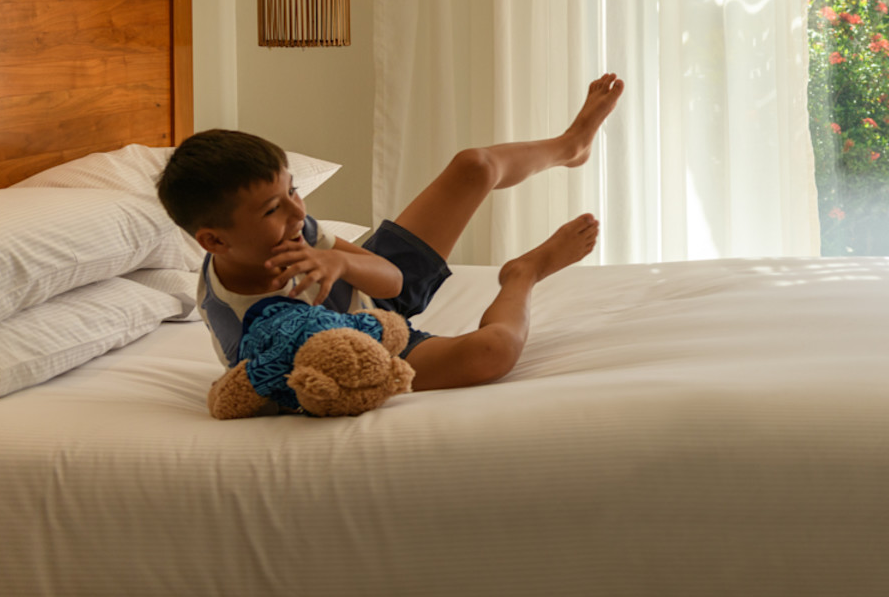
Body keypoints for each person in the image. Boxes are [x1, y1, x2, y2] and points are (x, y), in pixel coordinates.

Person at [156, 74, 624, 399]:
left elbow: (394, 282)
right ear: (215, 242)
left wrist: (339, 263)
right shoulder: (234, 317)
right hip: (369, 346)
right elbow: (263, 387)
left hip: (372, 290)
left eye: (293, 190)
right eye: (274, 208)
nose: (299, 210)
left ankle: (571, 145)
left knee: (473, 165)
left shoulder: (294, 228)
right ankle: (524, 274)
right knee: (492, 353)